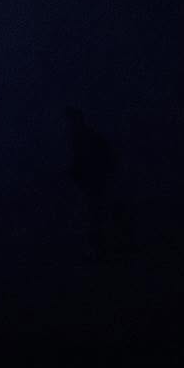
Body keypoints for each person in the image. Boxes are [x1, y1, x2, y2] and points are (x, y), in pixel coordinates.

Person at [64, 106, 116, 259]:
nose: (69, 124)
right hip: (93, 180)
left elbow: (84, 160)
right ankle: (103, 246)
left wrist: (78, 173)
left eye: (70, 121)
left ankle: (102, 248)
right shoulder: (84, 136)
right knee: (96, 213)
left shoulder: (83, 137)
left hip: (93, 181)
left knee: (95, 213)